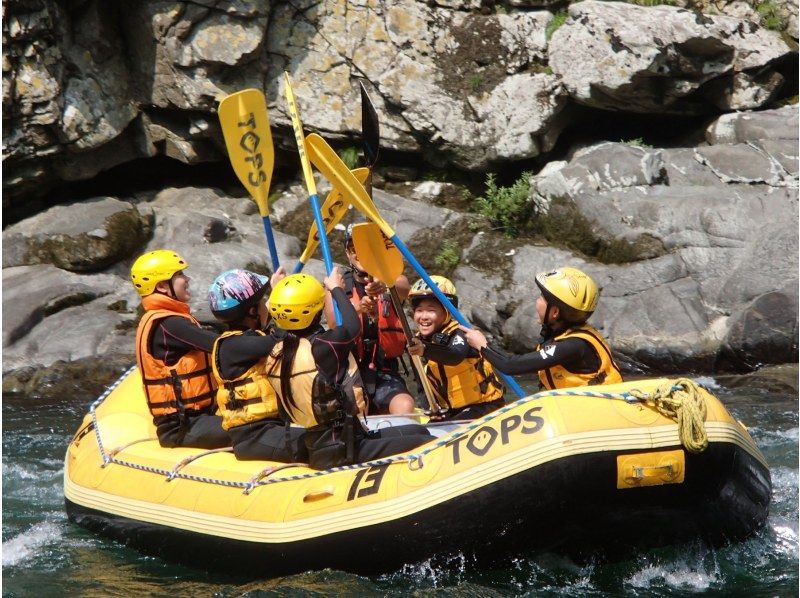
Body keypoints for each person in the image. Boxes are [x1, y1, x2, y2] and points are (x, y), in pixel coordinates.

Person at [266, 269, 434, 470]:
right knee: (424, 439)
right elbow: (352, 325)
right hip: (346, 448)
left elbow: (278, 325)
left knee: (416, 430)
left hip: (321, 444)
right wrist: (336, 288)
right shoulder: (326, 344)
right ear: (316, 311)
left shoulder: (277, 350)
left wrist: (277, 291)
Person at [460, 267, 623, 390]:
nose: (537, 302)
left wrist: (483, 345)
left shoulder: (573, 345)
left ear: (555, 312)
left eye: (542, 298)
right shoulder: (561, 336)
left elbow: (510, 366)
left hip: (602, 412)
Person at [207, 266, 308, 463]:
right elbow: (284, 338)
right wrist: (280, 296)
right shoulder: (233, 345)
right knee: (327, 444)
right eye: (263, 303)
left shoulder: (245, 340)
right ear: (252, 311)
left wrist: (272, 289)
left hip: (269, 430)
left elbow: (267, 329)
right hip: (254, 437)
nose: (267, 307)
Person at [131, 250, 229, 449]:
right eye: (180, 275)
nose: (187, 279)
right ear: (162, 286)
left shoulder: (169, 320)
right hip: (183, 427)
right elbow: (225, 348)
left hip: (200, 418)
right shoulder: (170, 325)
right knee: (253, 428)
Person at [323, 223, 415, 415]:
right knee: (357, 411)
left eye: (364, 248)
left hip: (385, 370)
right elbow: (333, 322)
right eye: (353, 249)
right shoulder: (339, 284)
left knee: (404, 404)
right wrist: (357, 308)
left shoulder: (390, 278)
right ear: (348, 254)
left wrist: (384, 281)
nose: (359, 253)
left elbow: (405, 288)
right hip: (351, 370)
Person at [407, 276, 506, 420]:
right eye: (419, 310)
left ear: (446, 312)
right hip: (451, 411)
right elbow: (422, 384)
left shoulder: (461, 333)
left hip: (485, 406)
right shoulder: (417, 343)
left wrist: (425, 349)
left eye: (431, 310)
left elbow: (454, 355)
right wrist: (430, 409)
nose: (423, 316)